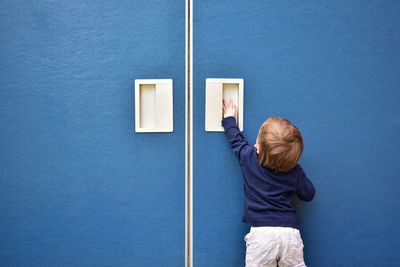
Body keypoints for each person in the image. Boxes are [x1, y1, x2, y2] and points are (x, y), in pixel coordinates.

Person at [222, 100, 316, 267]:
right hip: (289, 234)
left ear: (258, 147)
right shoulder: (294, 171)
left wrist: (229, 118)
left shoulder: (248, 158)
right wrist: (296, 172)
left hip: (261, 235)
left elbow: (236, 140)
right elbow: (308, 194)